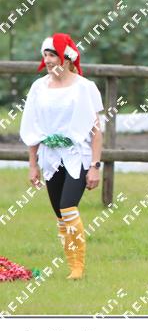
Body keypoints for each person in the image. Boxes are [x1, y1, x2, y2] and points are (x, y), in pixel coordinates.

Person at [19, 33, 104, 280]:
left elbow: (96, 131)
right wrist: (33, 165)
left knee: (68, 208)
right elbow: (33, 128)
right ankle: (71, 265)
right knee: (59, 215)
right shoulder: (38, 88)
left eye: (52, 55)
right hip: (50, 158)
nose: (47, 60)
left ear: (66, 58)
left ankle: (78, 268)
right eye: (45, 55)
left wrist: (95, 166)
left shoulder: (84, 87)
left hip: (78, 156)